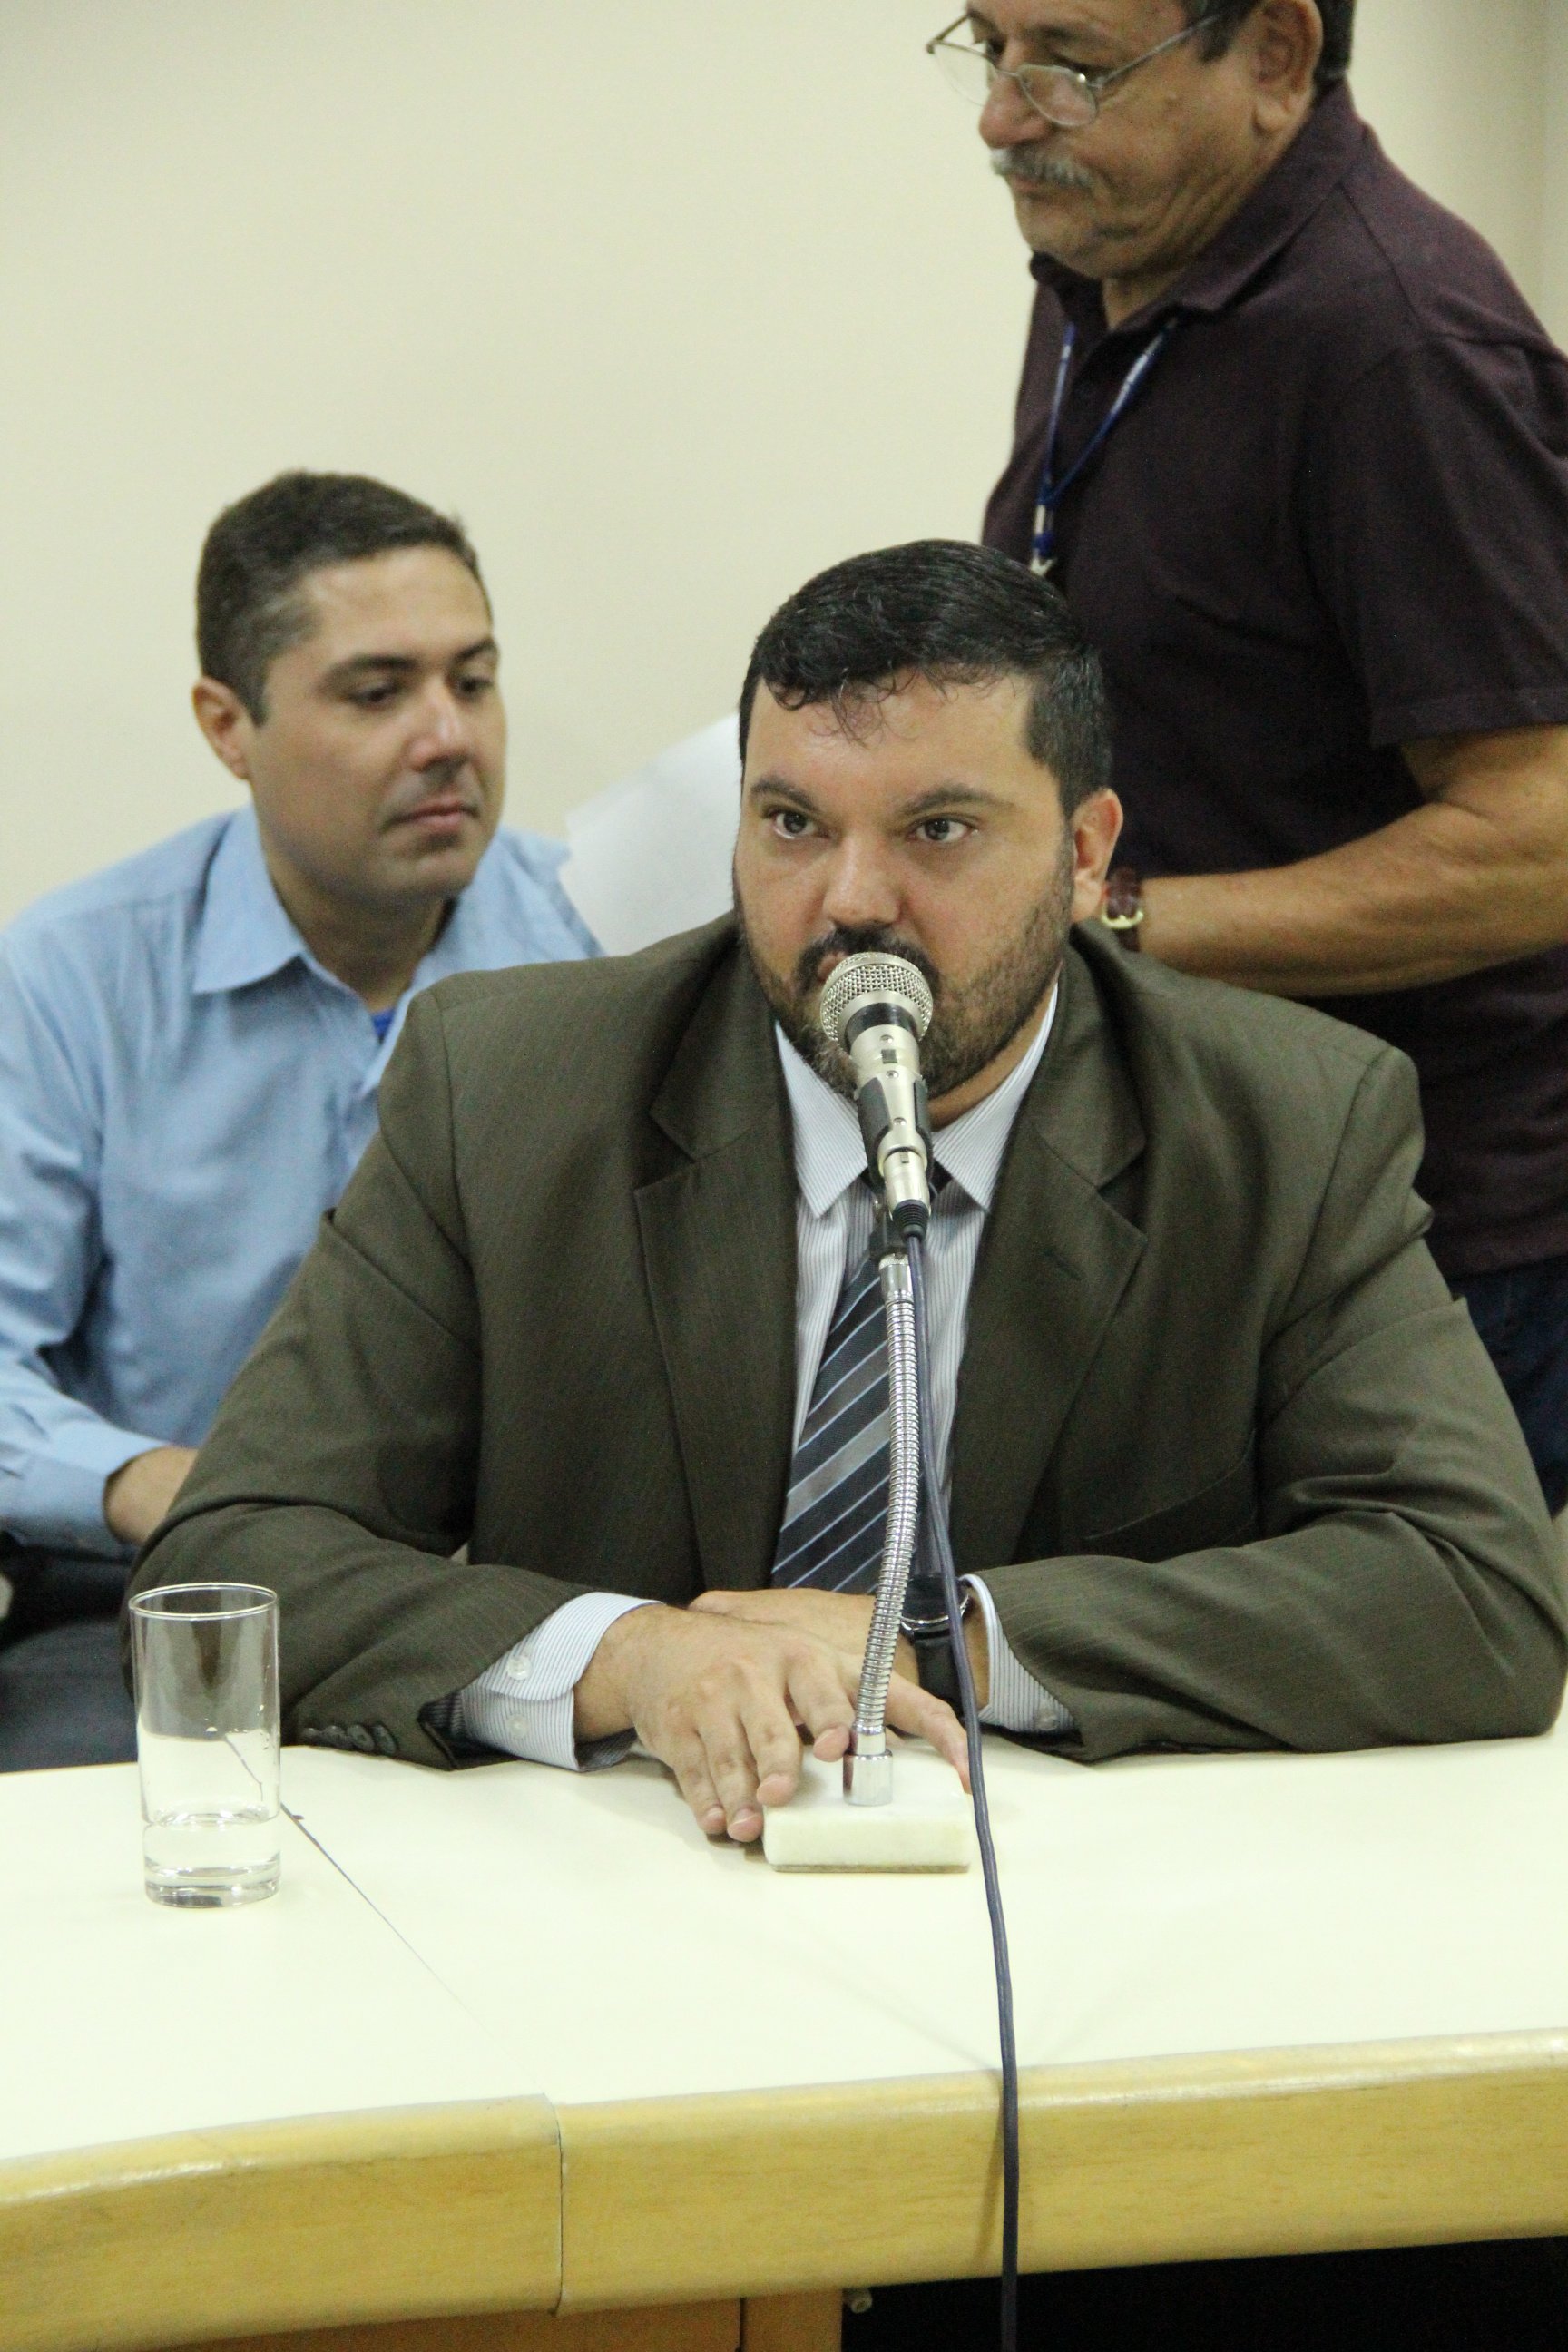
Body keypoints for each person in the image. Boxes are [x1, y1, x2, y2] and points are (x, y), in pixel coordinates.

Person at [130, 542, 1563, 1843]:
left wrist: (932, 1641)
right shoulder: (506, 1091)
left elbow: (1475, 1594)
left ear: (1083, 855)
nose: (851, 900)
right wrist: (632, 1657)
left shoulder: (1286, 1125)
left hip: (1073, 1900)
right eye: (793, 824)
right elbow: (238, 1563)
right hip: (614, 1883)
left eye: (938, 831)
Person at [922, 0, 1568, 1517]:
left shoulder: (1401, 344)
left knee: (1342, 1658)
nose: (1004, 117)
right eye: (989, 45)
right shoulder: (1111, 261)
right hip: (1198, 1175)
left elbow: (1539, 840)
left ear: (1274, 57)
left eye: (1073, 67)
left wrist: (1106, 926)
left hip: (1423, 1236)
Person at [0, 471, 596, 1769]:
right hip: (160, 1598)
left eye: (474, 681)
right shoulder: (73, 977)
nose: (447, 736)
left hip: (509, 1601)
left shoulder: (597, 953)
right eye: (377, 693)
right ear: (229, 725)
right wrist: (154, 1484)